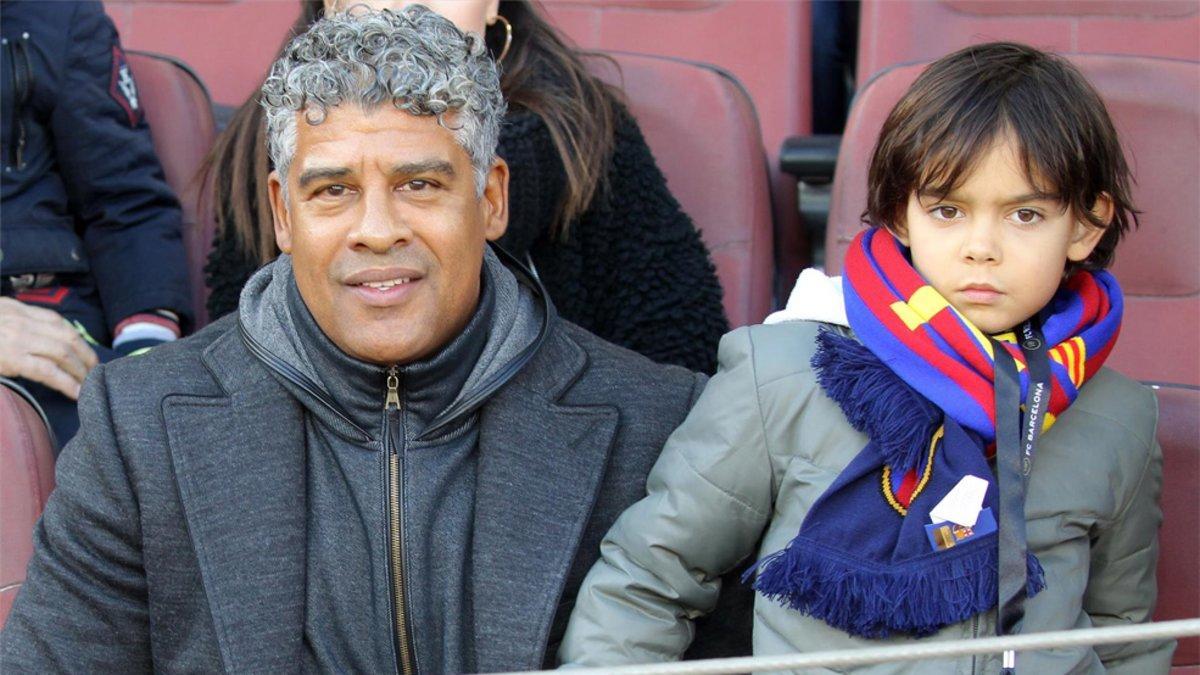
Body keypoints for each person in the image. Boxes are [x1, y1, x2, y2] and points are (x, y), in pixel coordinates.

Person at [0, 8, 746, 671]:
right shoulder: (139, 429)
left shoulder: (652, 425)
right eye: (333, 191)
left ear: (491, 199)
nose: (378, 229)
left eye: (420, 184)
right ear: (280, 213)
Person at [559, 42, 1174, 671]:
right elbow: (650, 578)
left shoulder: (1117, 415)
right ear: (901, 215)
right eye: (947, 210)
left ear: (1085, 225)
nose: (981, 248)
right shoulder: (787, 374)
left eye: (1024, 214)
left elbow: (1122, 632)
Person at [203, 0, 729, 374]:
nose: (408, 10)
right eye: (337, 190)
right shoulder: (274, 137)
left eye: (422, 183)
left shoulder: (584, 132)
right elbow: (237, 348)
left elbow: (677, 336)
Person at [0, 0, 191, 450]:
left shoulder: (60, 16)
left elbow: (124, 200)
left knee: (151, 457)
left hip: (47, 312)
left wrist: (147, 364)